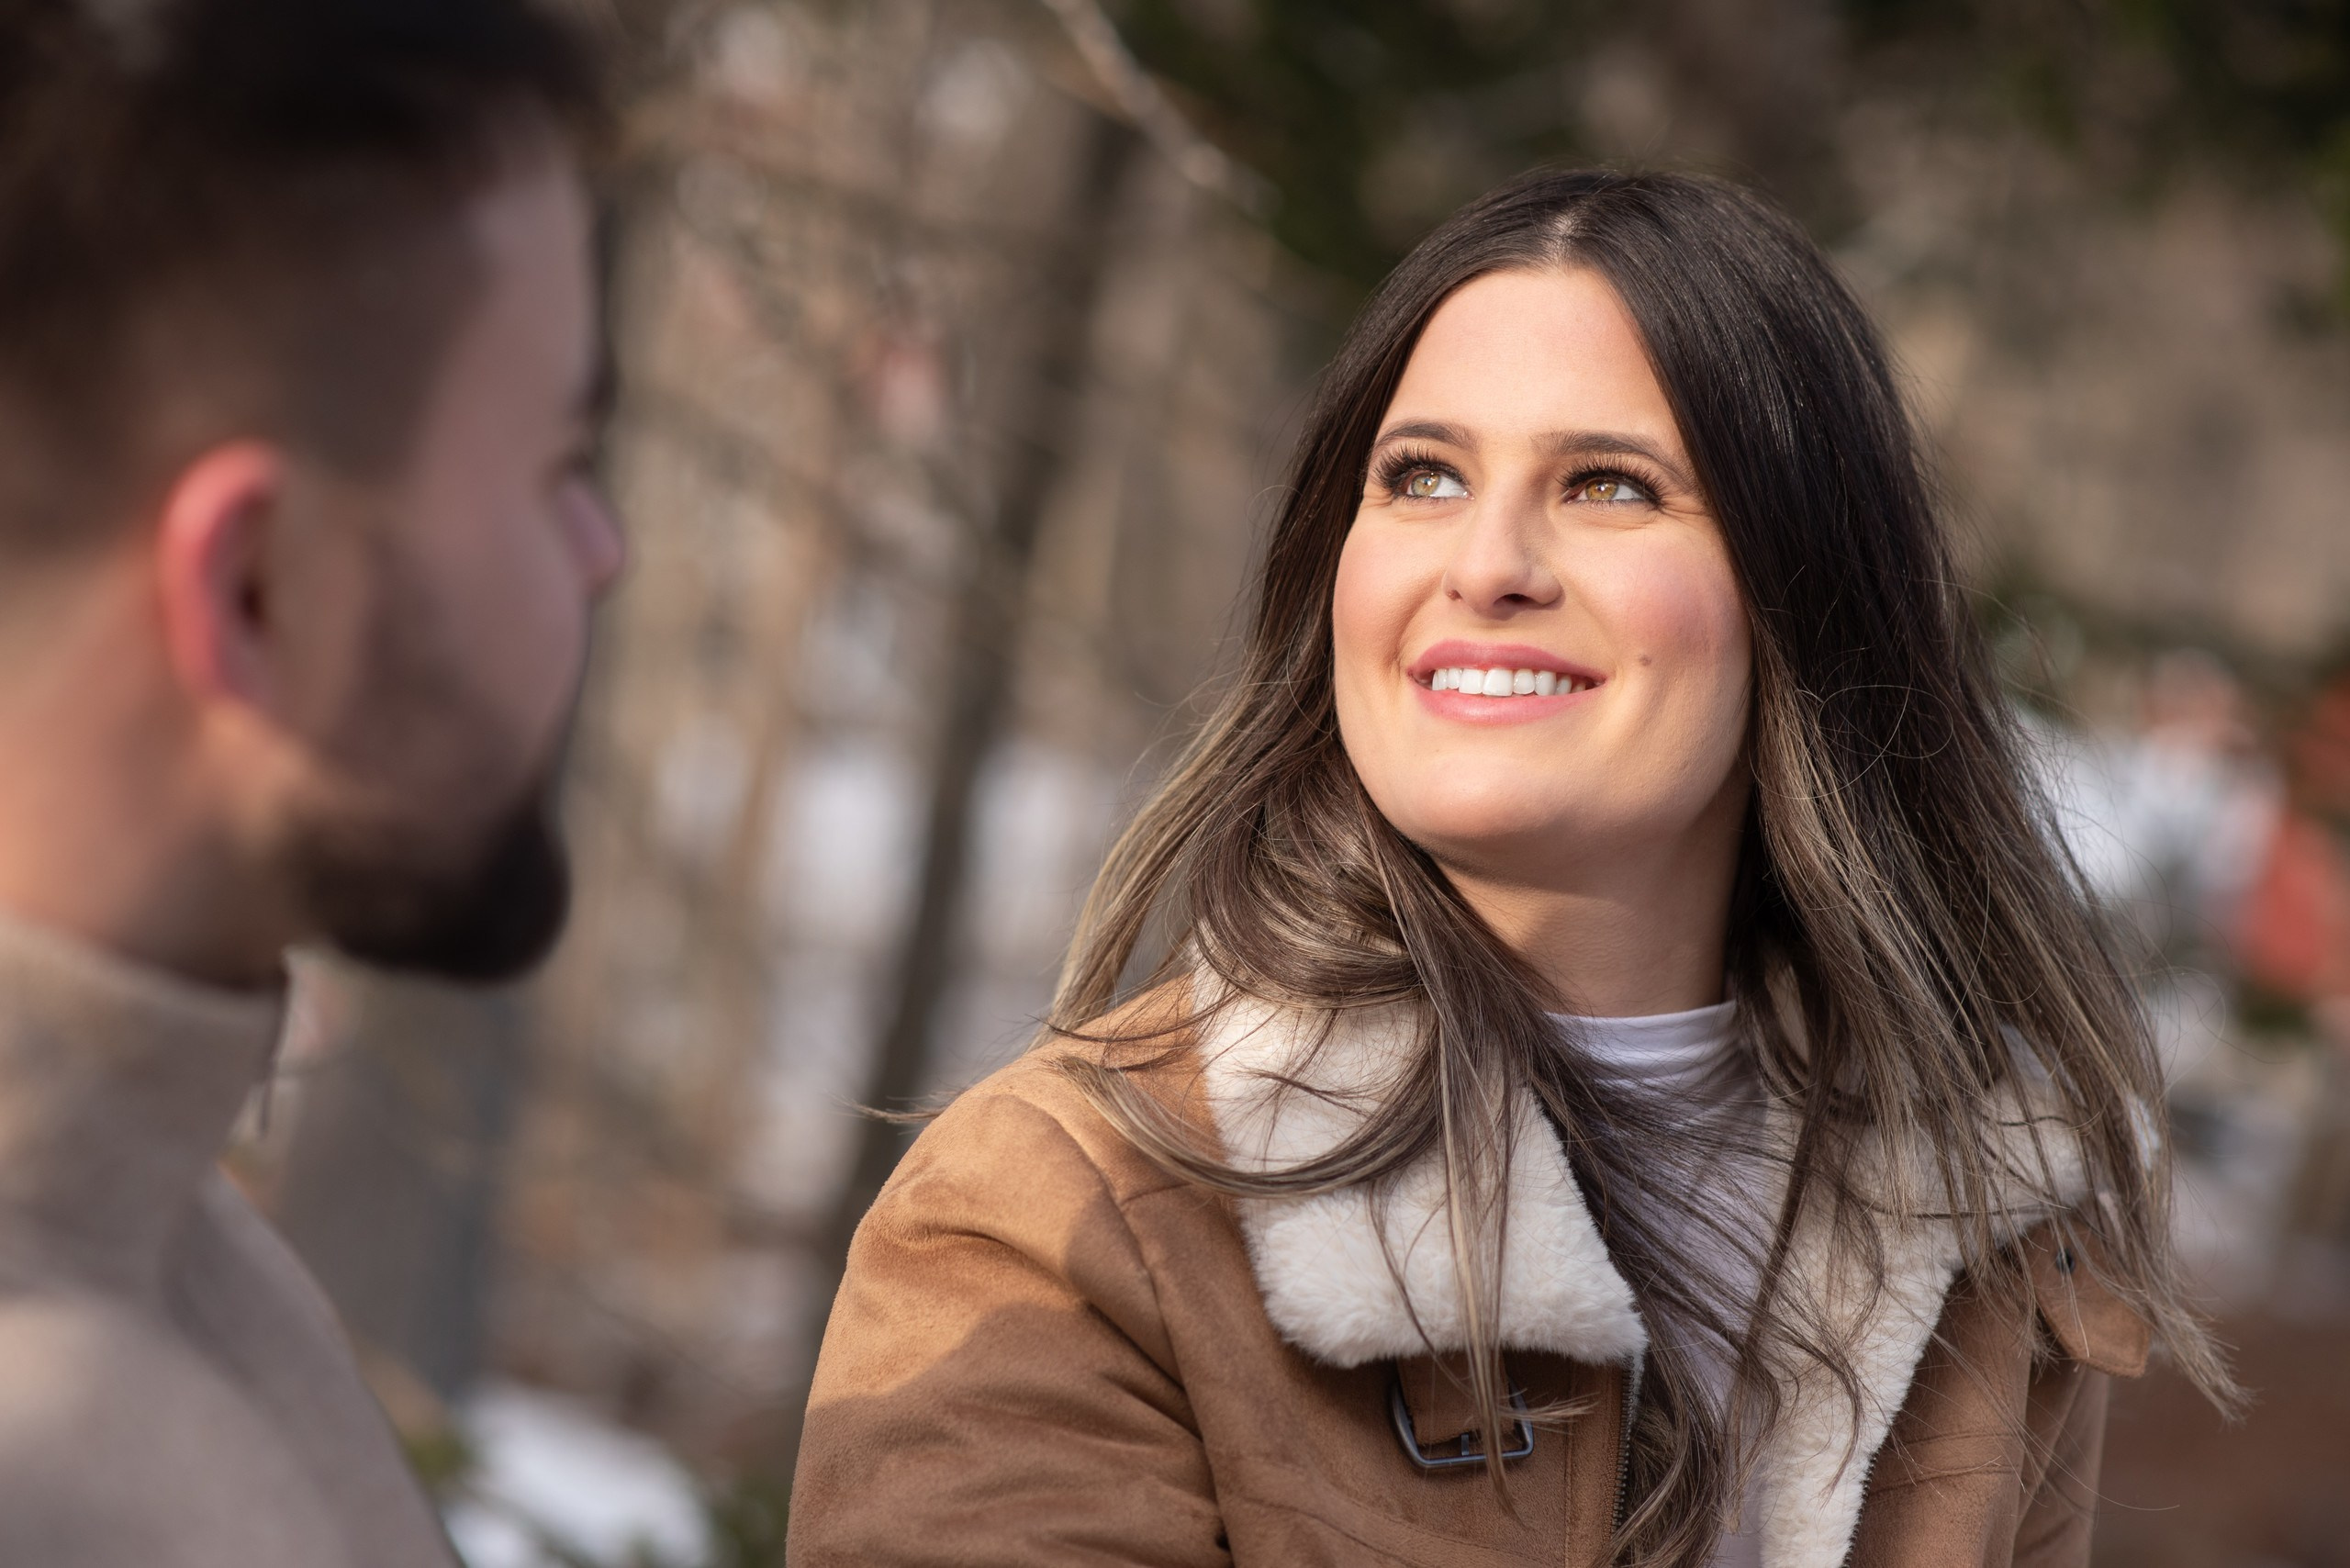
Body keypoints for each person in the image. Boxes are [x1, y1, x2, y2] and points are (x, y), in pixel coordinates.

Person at [788, 171, 2234, 1567]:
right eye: (1421, 477)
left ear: (1804, 591)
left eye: (1608, 485)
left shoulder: (1980, 1219)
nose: (1486, 565)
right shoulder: (1061, 1214)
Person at [0, 2, 617, 1563]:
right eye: (555, 468)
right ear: (260, 591)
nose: (602, 552)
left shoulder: (178, 1257)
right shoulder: (64, 1474)